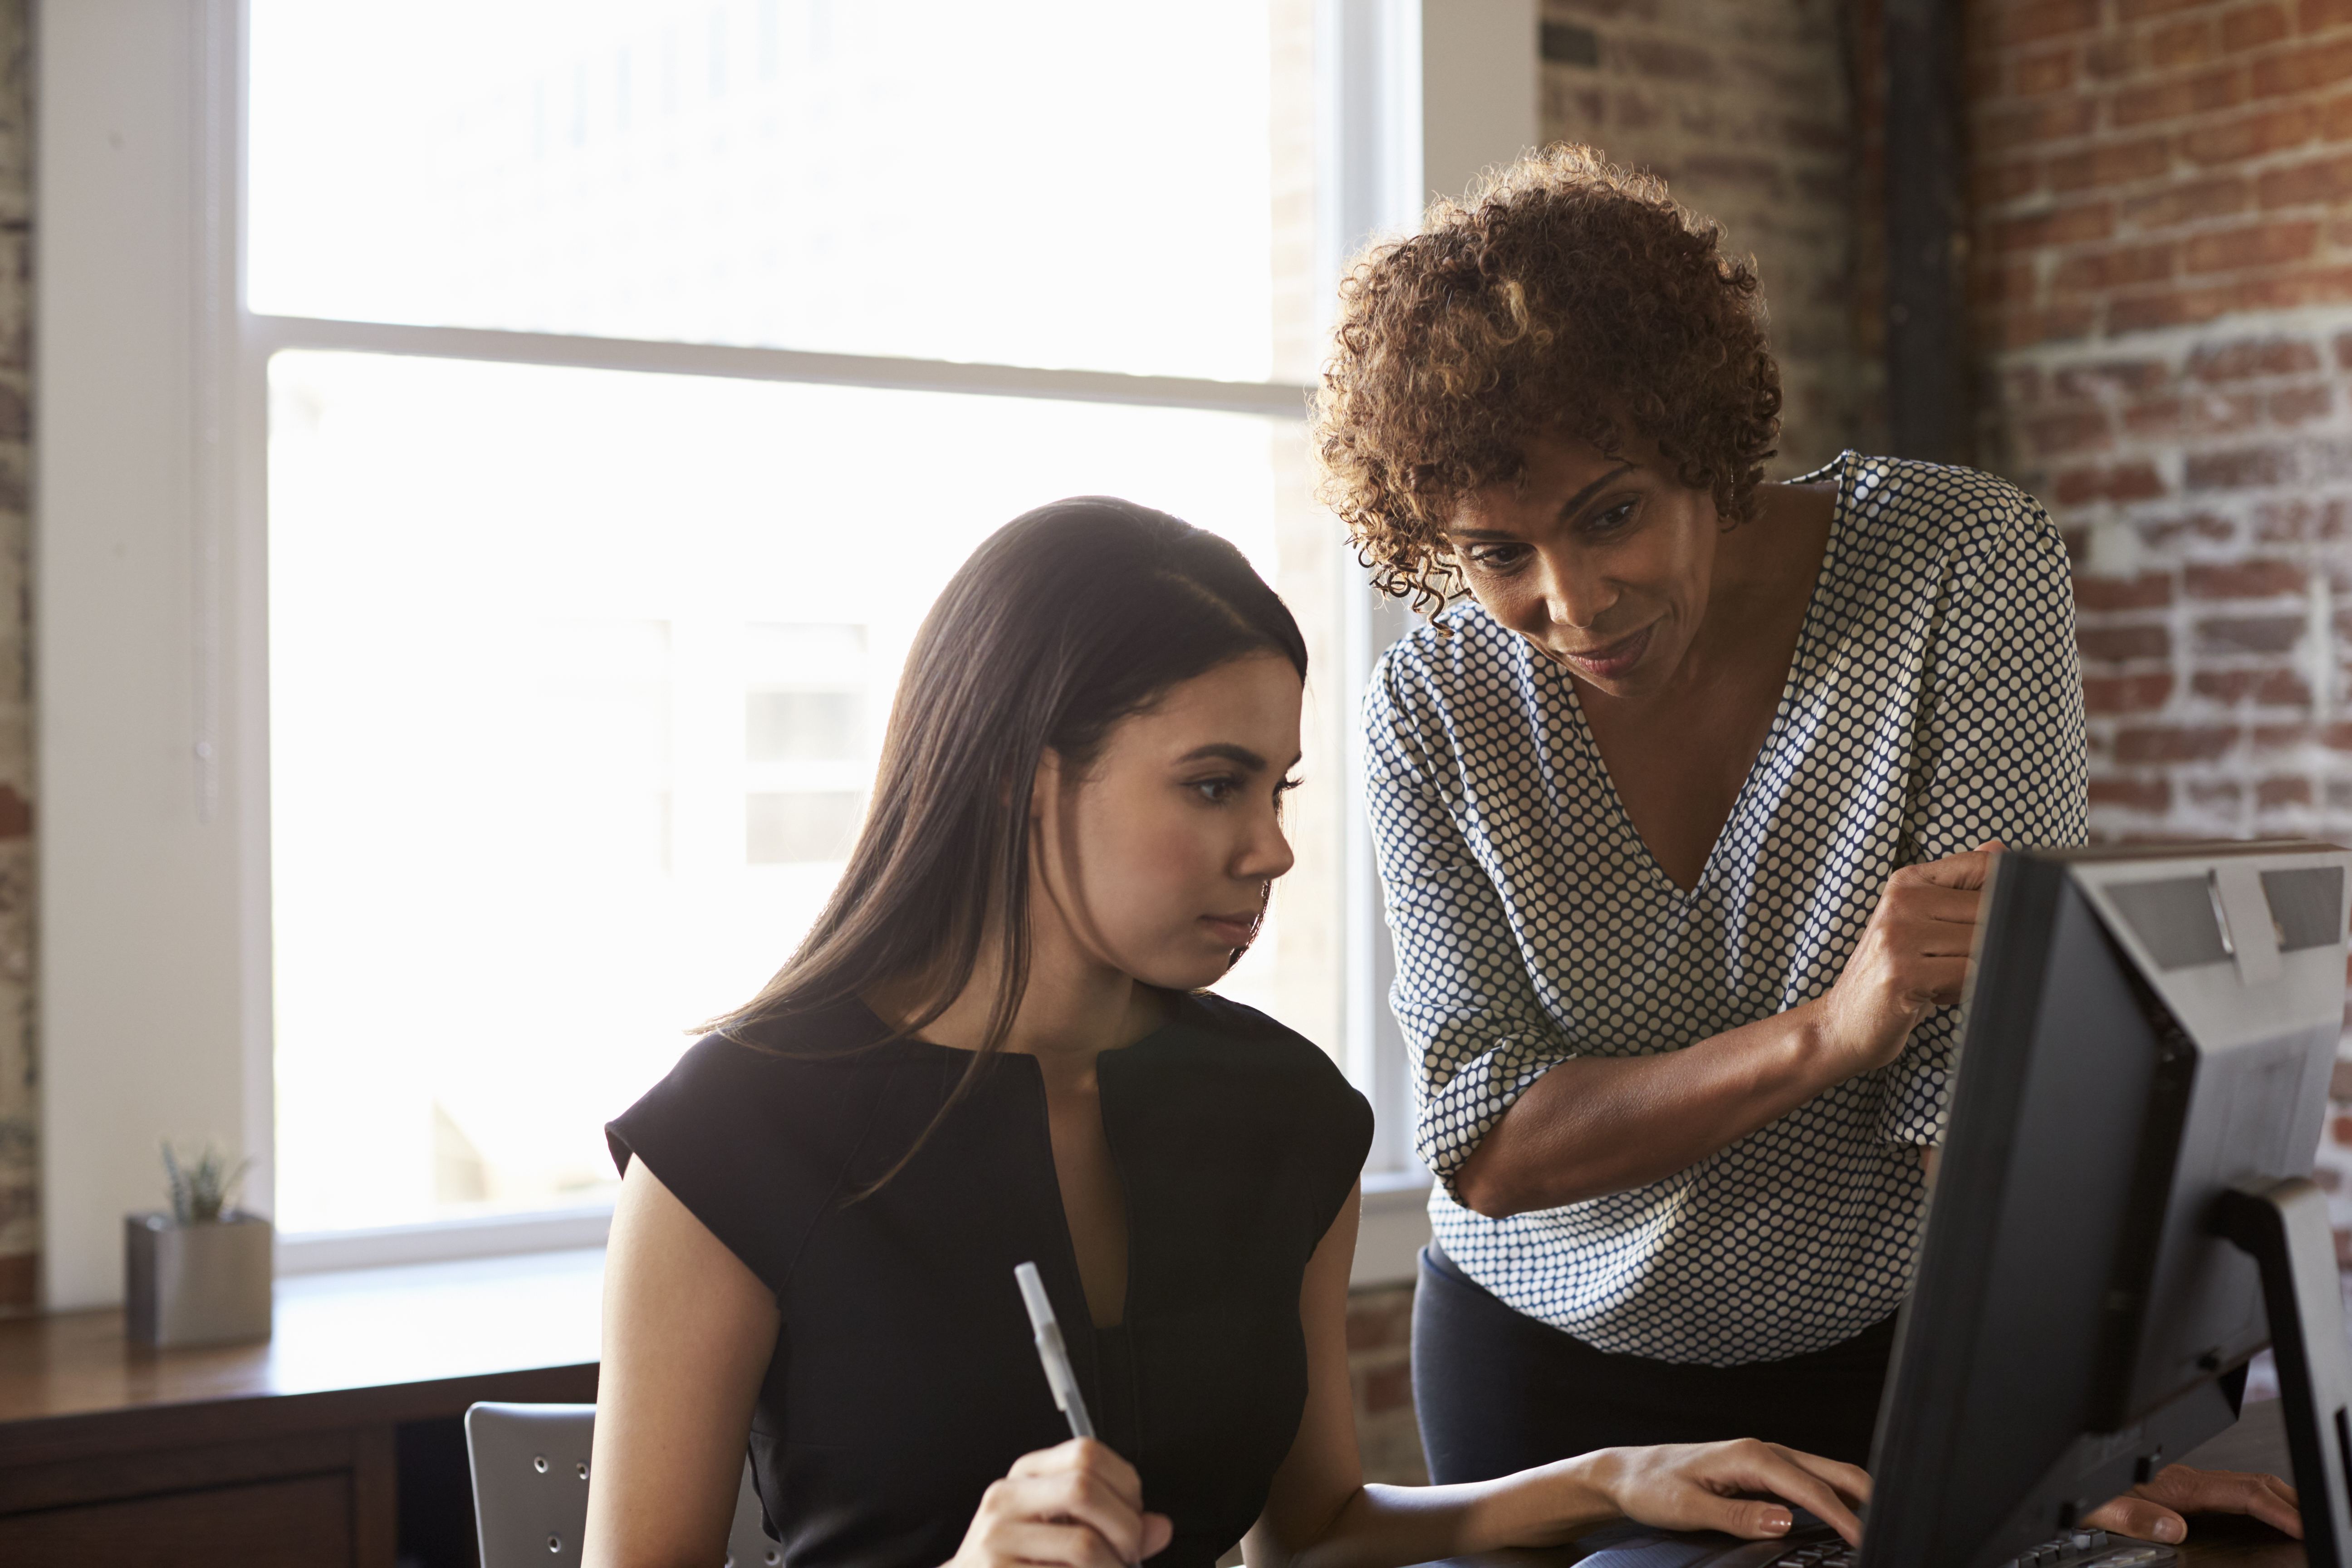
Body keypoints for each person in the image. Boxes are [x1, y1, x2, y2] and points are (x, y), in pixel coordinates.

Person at [583, 497, 1878, 1568]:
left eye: (1276, 789)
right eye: (1213, 785)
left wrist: (1612, 1480)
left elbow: (1311, 1533)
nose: (1271, 849)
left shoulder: (1286, 1114)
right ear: (1018, 778)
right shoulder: (730, 1144)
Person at [1313, 145, 2299, 1546]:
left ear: (1707, 444)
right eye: (1494, 552)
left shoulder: (1958, 566)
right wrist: (1832, 1030)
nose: (1571, 602)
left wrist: (2075, 1440)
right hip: (1542, 1374)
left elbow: (1977, 1079)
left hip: (1889, 1361)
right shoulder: (1434, 702)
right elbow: (1486, 1142)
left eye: (1612, 513)